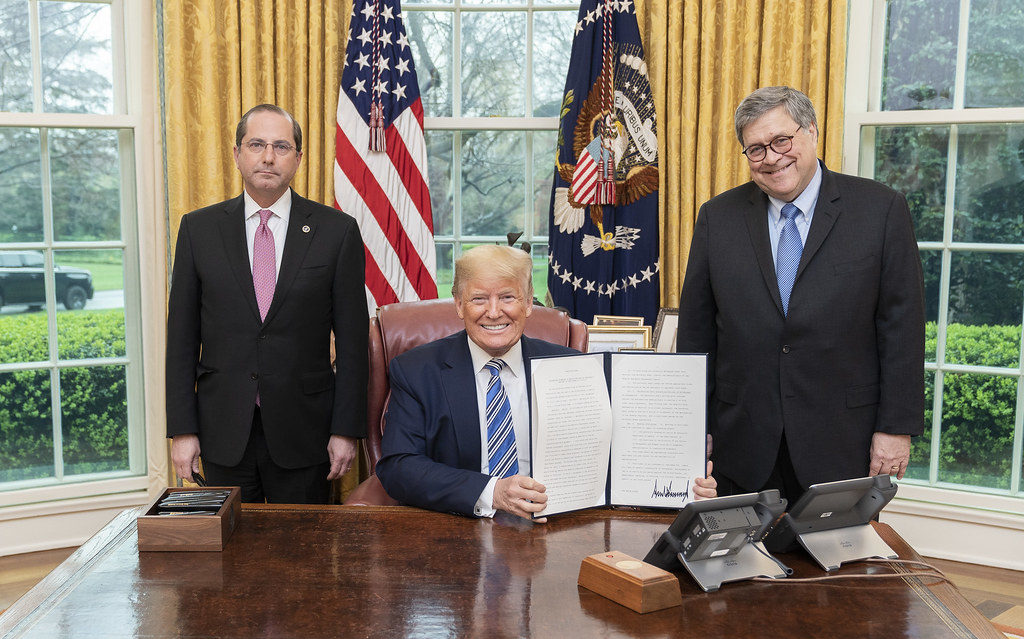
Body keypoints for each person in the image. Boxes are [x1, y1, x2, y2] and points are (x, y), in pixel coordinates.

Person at [677, 85, 925, 506]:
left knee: (836, 567)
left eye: (781, 141)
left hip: (843, 444)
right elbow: (697, 333)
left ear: (811, 131)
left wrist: (896, 429)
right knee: (737, 567)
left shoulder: (880, 210)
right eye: (755, 149)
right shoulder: (717, 217)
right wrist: (692, 425)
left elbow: (902, 328)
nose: (771, 158)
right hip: (741, 445)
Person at [376, 245, 717, 519]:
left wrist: (680, 481)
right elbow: (399, 467)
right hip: (463, 525)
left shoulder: (574, 368)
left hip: (560, 522)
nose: (494, 312)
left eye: (508, 297)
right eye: (479, 298)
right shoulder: (417, 370)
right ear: (459, 304)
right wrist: (492, 492)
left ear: (528, 303)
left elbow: (620, 456)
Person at [165, 103, 368, 503]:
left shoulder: (337, 231)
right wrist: (183, 430)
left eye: (281, 146)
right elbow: (181, 341)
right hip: (222, 429)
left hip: (305, 431)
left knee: (302, 556)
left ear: (298, 158)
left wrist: (345, 430)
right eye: (256, 144)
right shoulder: (198, 229)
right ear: (237, 154)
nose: (268, 156)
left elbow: (353, 342)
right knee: (232, 558)